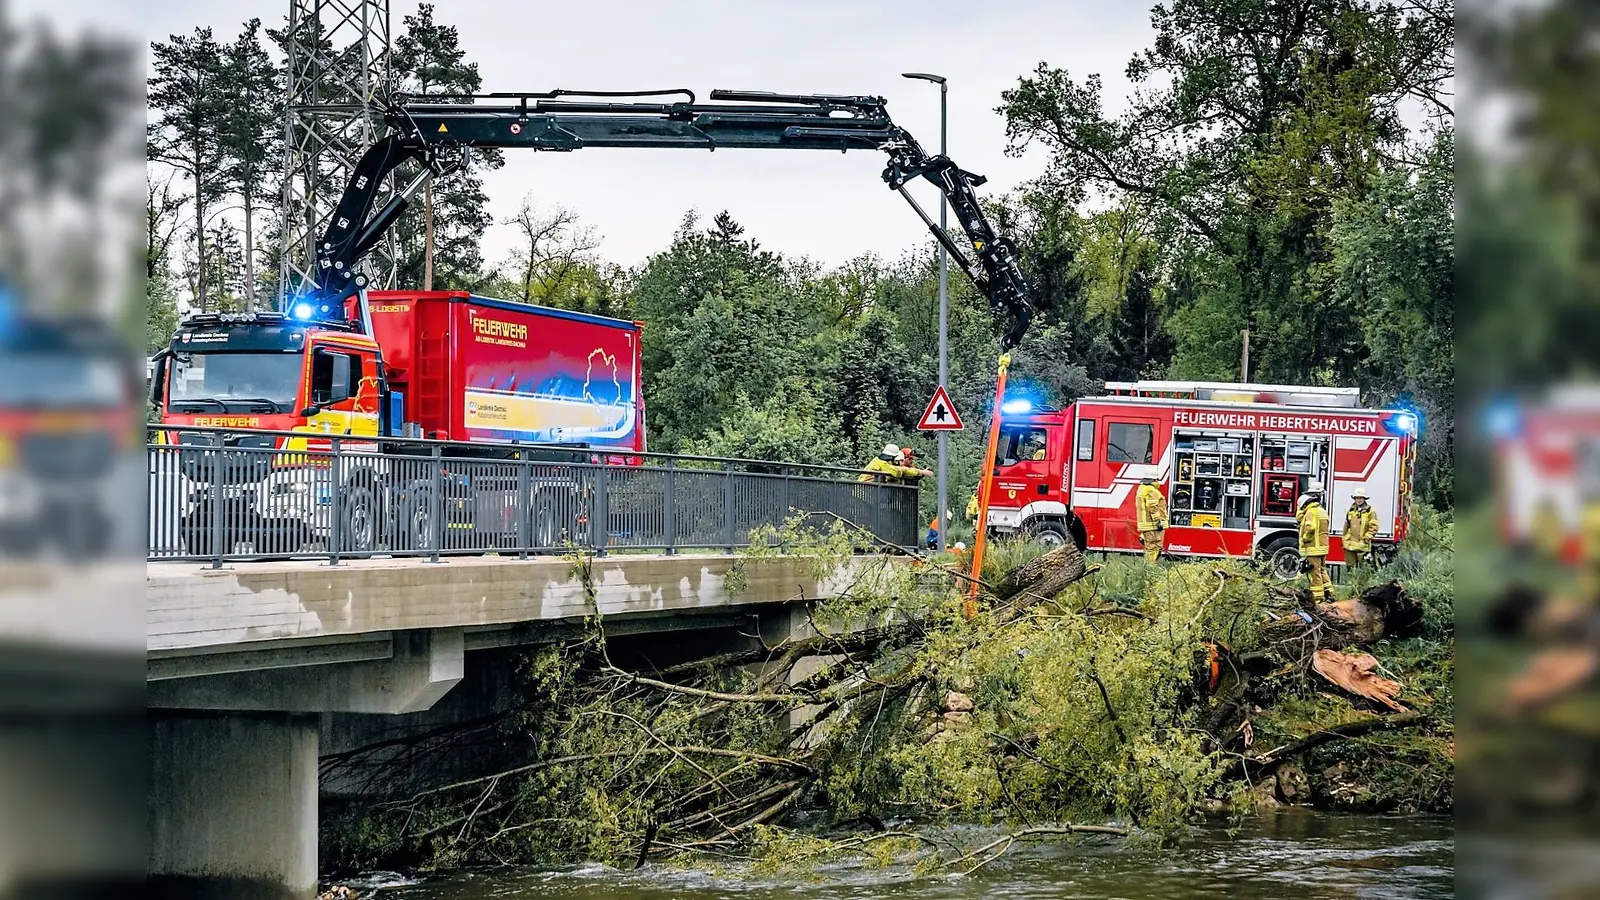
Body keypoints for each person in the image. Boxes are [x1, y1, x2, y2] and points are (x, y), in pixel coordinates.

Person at [1299, 484, 1332, 602]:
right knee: (1322, 570)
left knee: (1314, 573)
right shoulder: (1321, 511)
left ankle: (1318, 598)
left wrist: (1305, 539)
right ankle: (1329, 593)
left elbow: (1310, 528)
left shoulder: (1311, 512)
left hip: (1313, 548)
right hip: (1322, 548)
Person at [1343, 488, 1379, 572]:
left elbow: (1374, 527)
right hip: (1350, 546)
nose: (1358, 500)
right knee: (1350, 569)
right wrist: (1345, 539)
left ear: (1364, 499)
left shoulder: (1370, 511)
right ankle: (1352, 584)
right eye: (1357, 498)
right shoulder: (1351, 511)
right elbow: (1346, 527)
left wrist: (1366, 539)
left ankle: (1363, 584)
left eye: (1360, 498)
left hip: (1362, 546)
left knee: (1364, 570)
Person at [858, 443, 932, 484]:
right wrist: (921, 472)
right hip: (864, 492)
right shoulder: (883, 464)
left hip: (864, 490)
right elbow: (898, 471)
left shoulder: (877, 460)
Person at [1135, 475, 1167, 564]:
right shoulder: (1151, 490)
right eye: (1157, 480)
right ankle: (1151, 568)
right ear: (1153, 480)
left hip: (1146, 523)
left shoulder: (1142, 488)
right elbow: (1152, 507)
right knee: (1154, 547)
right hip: (1152, 524)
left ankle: (1150, 566)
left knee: (1150, 546)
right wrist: (1158, 521)